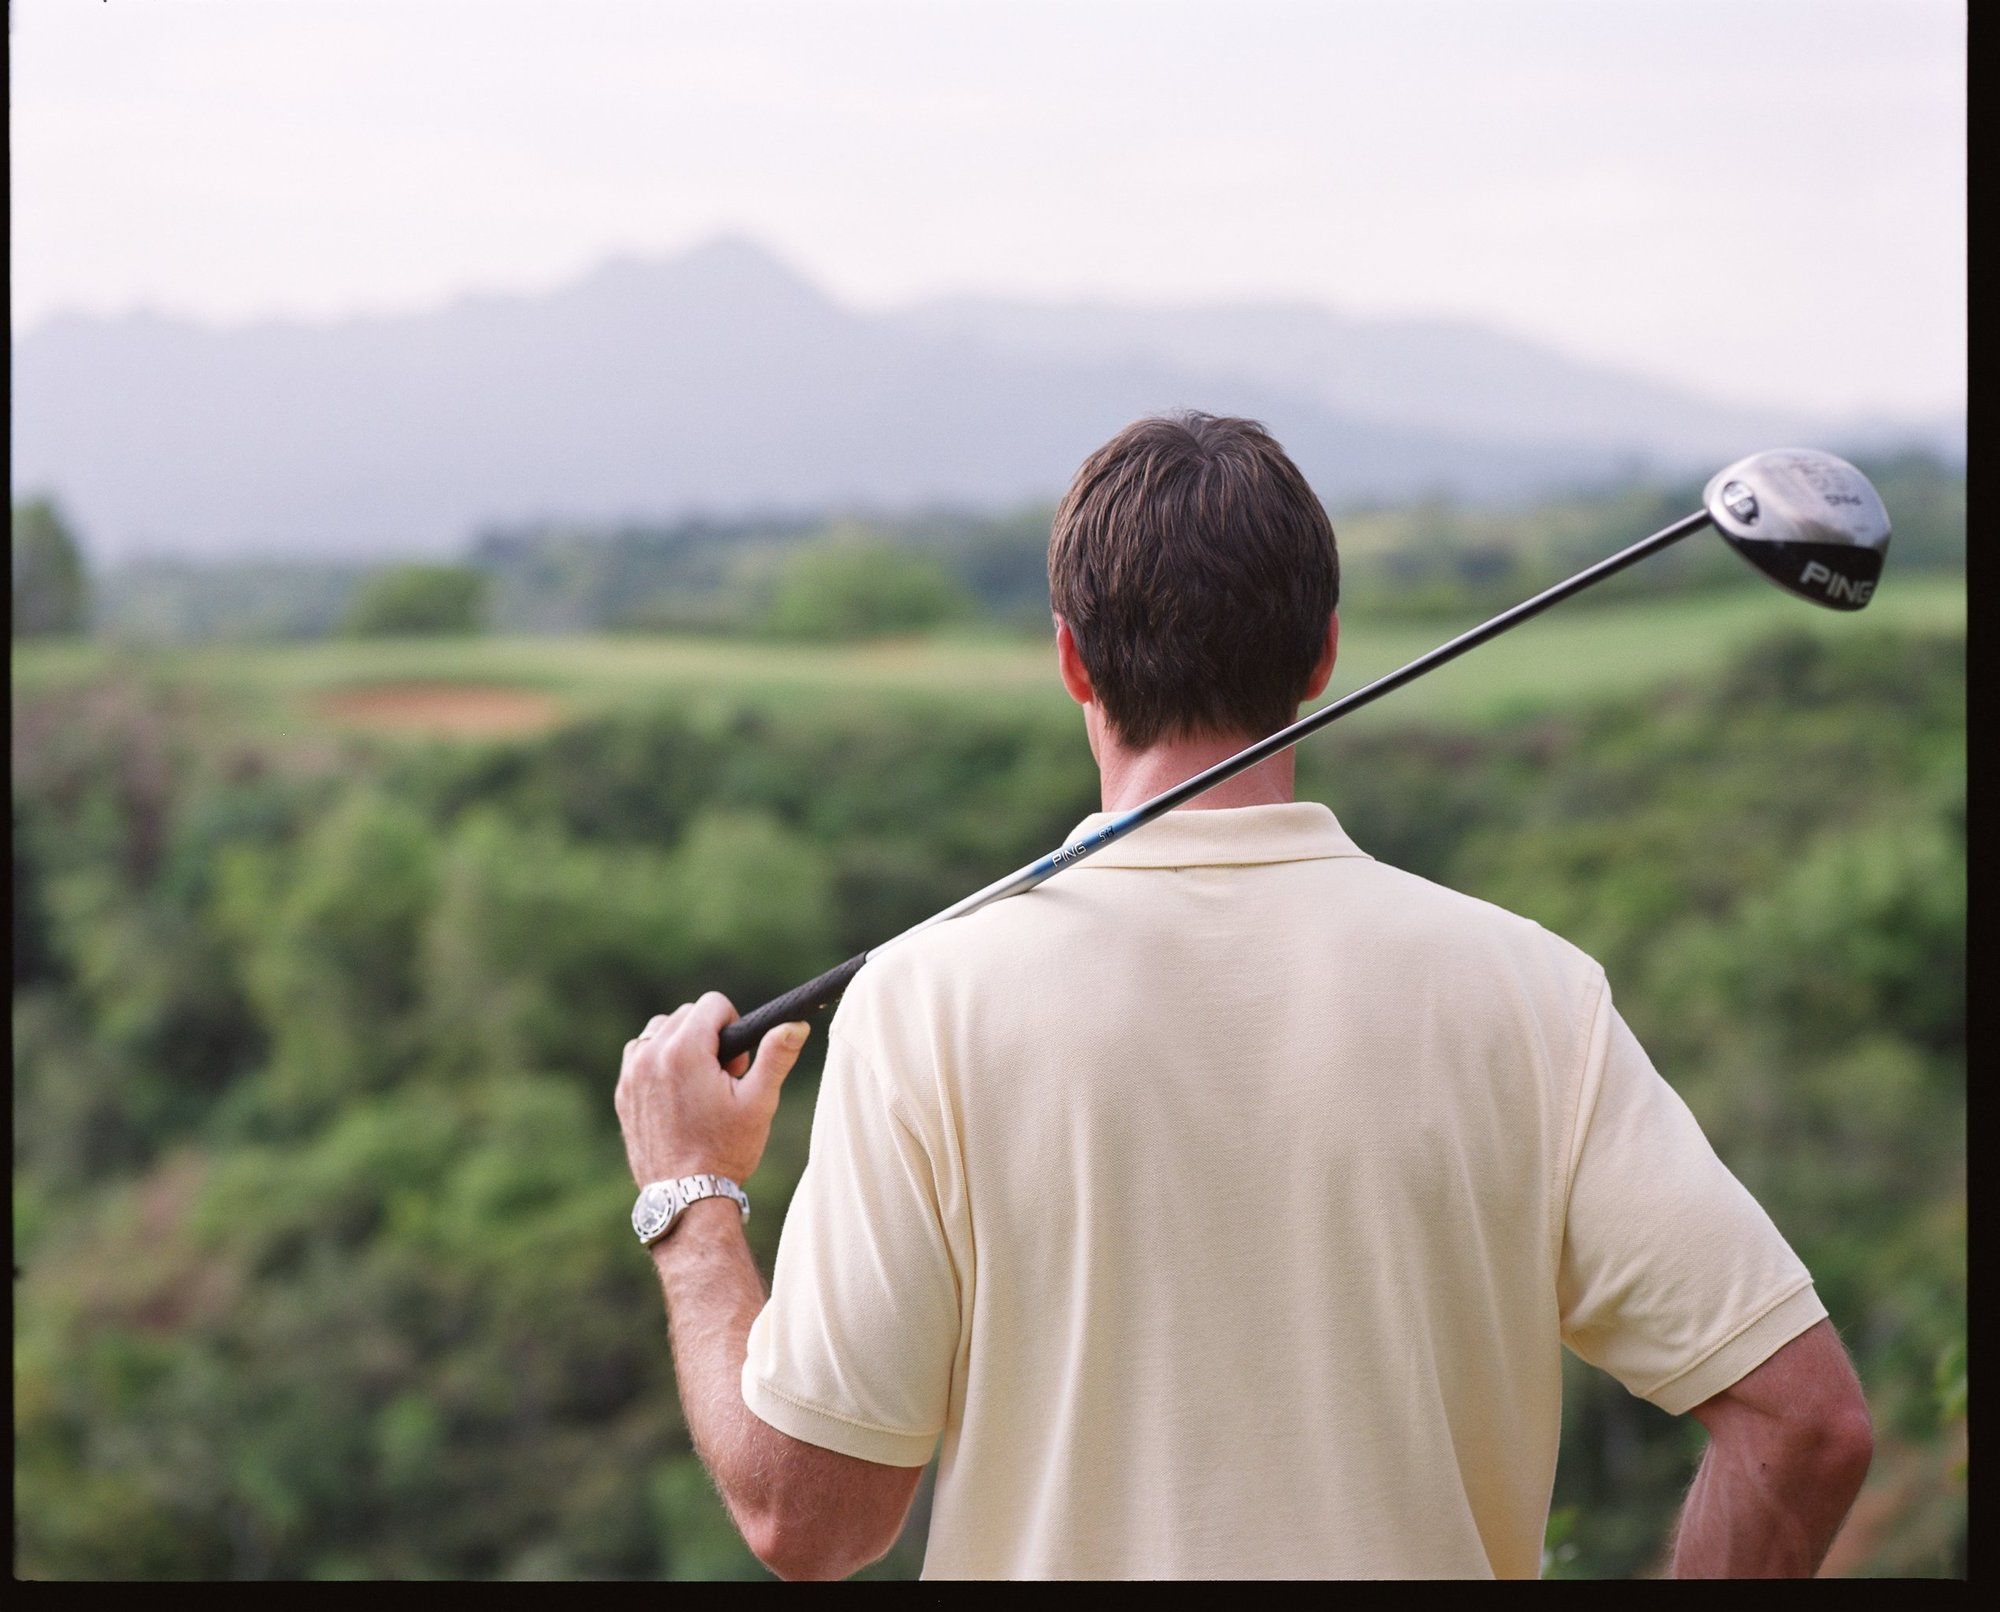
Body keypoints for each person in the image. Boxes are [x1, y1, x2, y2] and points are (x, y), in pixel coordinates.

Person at [613, 412, 1872, 1580]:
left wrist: (692, 1201)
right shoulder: (1530, 989)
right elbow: (1803, 1425)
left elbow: (811, 1518)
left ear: (1069, 661)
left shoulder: (923, 1003)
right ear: (1320, 653)